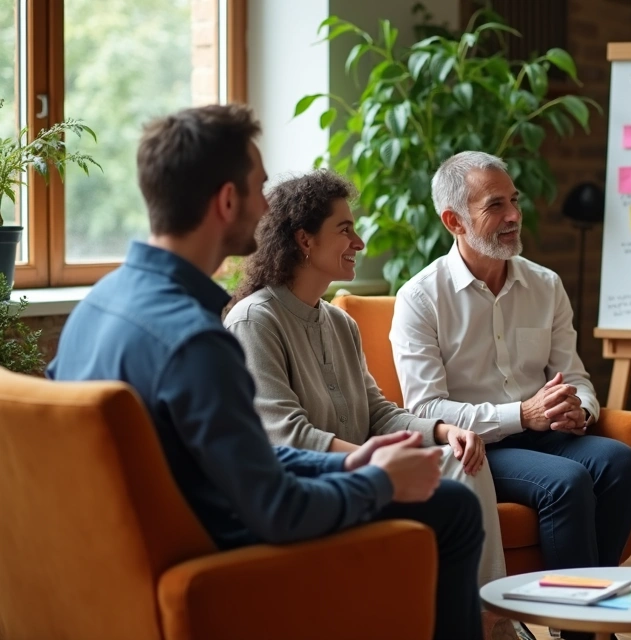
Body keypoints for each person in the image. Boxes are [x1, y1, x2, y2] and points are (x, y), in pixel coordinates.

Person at [46, 105, 485, 640]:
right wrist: (376, 482)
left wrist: (348, 467)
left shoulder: (98, 305)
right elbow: (277, 510)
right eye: (257, 187)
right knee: (455, 507)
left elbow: (243, 455)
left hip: (121, 561)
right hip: (229, 555)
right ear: (227, 201)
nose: (264, 204)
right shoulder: (198, 343)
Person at [222, 169, 522, 639]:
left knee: (467, 460)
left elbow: (380, 413)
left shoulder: (340, 324)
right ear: (304, 240)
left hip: (366, 470)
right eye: (345, 230)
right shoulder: (255, 321)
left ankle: (491, 621)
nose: (359, 242)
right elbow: (286, 436)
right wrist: (379, 462)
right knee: (455, 494)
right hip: (311, 484)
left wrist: (445, 432)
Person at [390, 150, 631, 640]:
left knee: (617, 461)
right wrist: (521, 414)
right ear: (454, 221)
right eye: (495, 206)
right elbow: (423, 408)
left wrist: (579, 410)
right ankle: (577, 633)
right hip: (476, 448)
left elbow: (576, 375)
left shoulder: (545, 284)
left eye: (514, 201)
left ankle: (597, 613)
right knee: (566, 482)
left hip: (545, 434)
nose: (513, 216)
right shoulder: (420, 298)